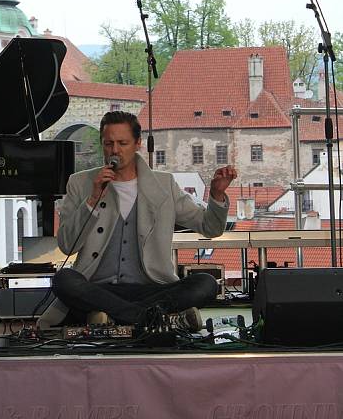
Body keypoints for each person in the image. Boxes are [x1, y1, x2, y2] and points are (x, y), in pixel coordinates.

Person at [43, 110, 237, 330]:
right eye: (108, 144)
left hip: (152, 287)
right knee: (64, 280)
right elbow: (67, 244)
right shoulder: (80, 183)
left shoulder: (163, 185)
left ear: (137, 144)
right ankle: (151, 320)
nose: (115, 150)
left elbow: (210, 227)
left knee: (206, 283)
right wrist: (93, 199)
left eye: (122, 143)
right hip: (97, 288)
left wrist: (217, 195)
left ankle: (117, 318)